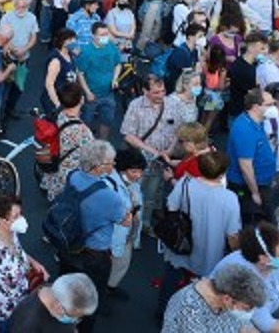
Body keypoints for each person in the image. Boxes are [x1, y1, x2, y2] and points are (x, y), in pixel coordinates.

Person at [56, 140, 130, 333]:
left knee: (66, 293)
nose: (114, 166)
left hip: (69, 245)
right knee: (88, 302)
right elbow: (125, 220)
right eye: (111, 163)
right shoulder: (109, 196)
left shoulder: (72, 176)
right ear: (99, 167)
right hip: (94, 256)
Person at [210, 221, 279, 332]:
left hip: (268, 315)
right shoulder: (242, 277)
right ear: (263, 258)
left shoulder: (276, 263)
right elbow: (266, 324)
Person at [0, 195, 50, 333]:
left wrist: (32, 261)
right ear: (2, 220)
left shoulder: (9, 232)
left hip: (15, 306)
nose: (21, 219)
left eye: (20, 213)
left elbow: (17, 250)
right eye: (16, 216)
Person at [120, 74, 183, 233]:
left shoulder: (172, 104)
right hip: (140, 160)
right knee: (138, 193)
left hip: (162, 161)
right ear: (145, 91)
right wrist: (153, 151)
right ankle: (135, 224)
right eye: (156, 92)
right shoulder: (135, 106)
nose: (161, 95)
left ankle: (149, 219)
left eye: (163, 91)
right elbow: (128, 134)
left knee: (154, 191)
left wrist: (169, 150)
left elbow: (178, 130)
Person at [161, 262, 267, 333]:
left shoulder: (227, 296)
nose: (249, 312)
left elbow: (245, 326)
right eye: (247, 308)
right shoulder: (190, 310)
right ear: (227, 299)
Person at [227, 88, 278, 222]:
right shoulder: (244, 130)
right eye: (269, 105)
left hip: (262, 180)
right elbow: (245, 166)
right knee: (260, 218)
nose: (274, 107)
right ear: (256, 107)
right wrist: (255, 193)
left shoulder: (257, 120)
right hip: (248, 186)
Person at [40, 83, 95, 201]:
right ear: (81, 100)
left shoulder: (57, 115)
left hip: (54, 170)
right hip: (71, 178)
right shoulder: (83, 132)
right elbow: (91, 158)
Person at [106, 148, 146, 299]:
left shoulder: (133, 183)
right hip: (113, 237)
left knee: (122, 264)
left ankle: (111, 287)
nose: (138, 175)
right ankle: (104, 293)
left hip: (127, 234)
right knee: (110, 266)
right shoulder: (110, 185)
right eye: (134, 171)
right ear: (122, 168)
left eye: (140, 171)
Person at [76, 22, 123, 139]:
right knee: (86, 122)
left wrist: (115, 79)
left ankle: (102, 145)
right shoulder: (86, 52)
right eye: (102, 34)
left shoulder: (111, 47)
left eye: (106, 34)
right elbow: (80, 73)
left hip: (108, 93)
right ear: (93, 35)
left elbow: (118, 64)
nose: (105, 37)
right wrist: (87, 92)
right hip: (92, 94)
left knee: (107, 121)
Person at [7, 273, 100, 332]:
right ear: (58, 308)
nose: (76, 320)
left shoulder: (56, 290)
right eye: (74, 317)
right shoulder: (29, 323)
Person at [42, 28, 79, 112]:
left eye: (74, 39)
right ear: (62, 41)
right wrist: (57, 105)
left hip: (66, 98)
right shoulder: (56, 60)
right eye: (70, 39)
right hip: (57, 99)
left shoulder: (69, 54)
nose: (73, 42)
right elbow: (49, 84)